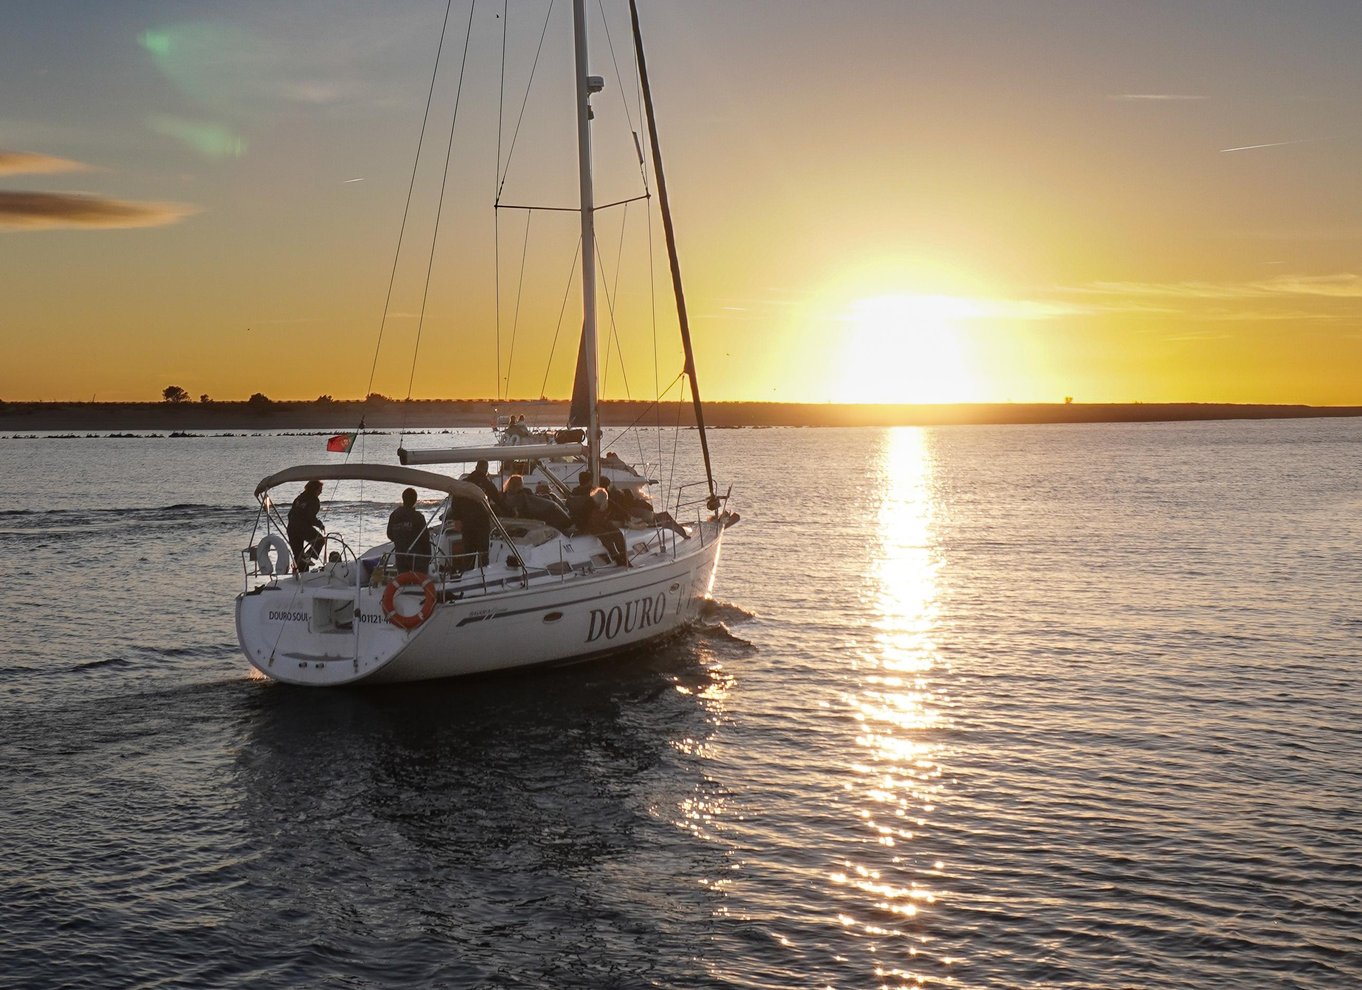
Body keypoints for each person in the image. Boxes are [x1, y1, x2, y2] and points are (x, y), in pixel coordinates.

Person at [501, 474, 572, 533]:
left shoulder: (505, 496)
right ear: (520, 484)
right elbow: (538, 502)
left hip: (516, 520)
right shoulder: (525, 494)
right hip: (531, 518)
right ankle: (568, 525)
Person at [387, 487, 432, 574]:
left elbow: (390, 535)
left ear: (403, 499)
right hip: (417, 560)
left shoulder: (394, 515)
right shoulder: (418, 517)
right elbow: (425, 539)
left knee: (404, 582)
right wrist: (428, 557)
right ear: (415, 500)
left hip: (401, 558)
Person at [287, 479, 325, 572]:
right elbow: (310, 517)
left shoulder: (299, 498)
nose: (321, 492)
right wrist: (320, 524)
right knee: (320, 540)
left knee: (298, 554)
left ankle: (299, 576)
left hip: (291, 528)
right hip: (302, 527)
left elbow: (290, 514)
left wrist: (293, 524)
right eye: (320, 490)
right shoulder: (314, 500)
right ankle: (308, 556)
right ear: (314, 489)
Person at [586, 488, 629, 567]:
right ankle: (616, 558)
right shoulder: (589, 505)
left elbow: (620, 510)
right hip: (591, 525)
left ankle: (624, 557)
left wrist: (628, 517)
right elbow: (583, 518)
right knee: (606, 538)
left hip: (603, 521)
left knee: (618, 534)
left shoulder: (608, 502)